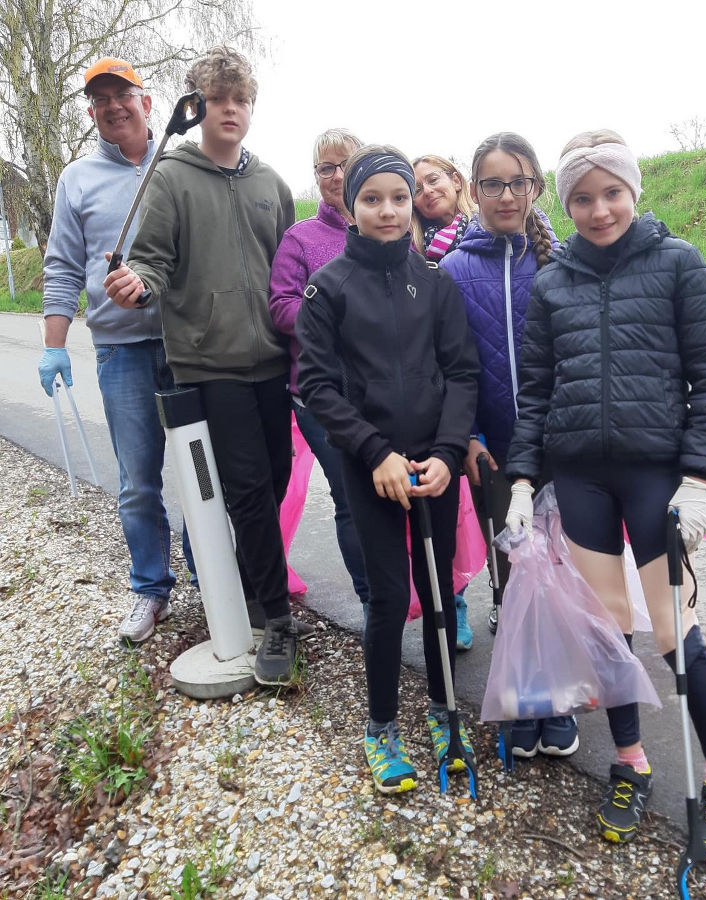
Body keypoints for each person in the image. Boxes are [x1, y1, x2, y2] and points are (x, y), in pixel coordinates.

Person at [504, 129, 706, 859]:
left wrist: (699, 480)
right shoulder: (554, 281)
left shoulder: (678, 263)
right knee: (609, 630)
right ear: (566, 204)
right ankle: (630, 761)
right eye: (582, 197)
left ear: (633, 192)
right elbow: (538, 392)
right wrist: (522, 481)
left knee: (676, 633)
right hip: (579, 475)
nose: (599, 208)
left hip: (654, 475)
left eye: (611, 192)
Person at [103, 45, 314, 685]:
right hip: (207, 362)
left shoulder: (272, 185)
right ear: (198, 107)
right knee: (247, 486)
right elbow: (151, 261)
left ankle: (254, 586)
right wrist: (136, 282)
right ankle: (274, 621)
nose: (230, 109)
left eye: (241, 100)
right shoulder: (170, 176)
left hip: (270, 364)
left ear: (251, 109)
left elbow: (288, 270)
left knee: (273, 479)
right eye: (219, 99)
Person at [295, 145, 480, 794]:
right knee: (390, 599)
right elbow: (317, 386)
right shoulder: (329, 289)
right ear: (351, 206)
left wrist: (449, 452)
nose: (388, 210)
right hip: (370, 469)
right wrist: (374, 452)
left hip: (433, 465)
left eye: (398, 198)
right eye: (372, 199)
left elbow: (461, 373)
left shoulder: (435, 283)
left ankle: (441, 709)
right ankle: (380, 727)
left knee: (437, 595)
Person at [40, 56, 196, 644]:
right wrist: (54, 346)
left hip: (191, 346)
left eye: (122, 94)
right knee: (138, 479)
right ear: (92, 112)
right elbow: (58, 266)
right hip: (121, 352)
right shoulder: (76, 179)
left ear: (147, 102)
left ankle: (213, 577)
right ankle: (151, 589)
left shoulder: (182, 160)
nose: (113, 106)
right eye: (101, 99)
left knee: (205, 470)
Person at [439, 133, 575, 758]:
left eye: (518, 183)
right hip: (492, 452)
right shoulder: (453, 270)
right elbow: (447, 365)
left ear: (536, 188)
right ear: (473, 191)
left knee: (564, 572)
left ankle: (562, 696)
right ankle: (524, 695)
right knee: (514, 574)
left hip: (563, 446)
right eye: (491, 184)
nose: (505, 196)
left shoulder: (562, 262)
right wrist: (467, 436)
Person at [269, 129, 371, 615]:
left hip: (384, 393)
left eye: (346, 164)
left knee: (388, 494)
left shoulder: (387, 226)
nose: (336, 176)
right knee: (352, 495)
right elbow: (281, 307)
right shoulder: (301, 238)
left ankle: (414, 594)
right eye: (325, 168)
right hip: (320, 395)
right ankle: (374, 602)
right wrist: (334, 316)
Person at [411, 154, 479, 650]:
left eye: (433, 180)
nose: (426, 192)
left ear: (456, 181)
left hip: (486, 377)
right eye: (416, 187)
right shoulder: (411, 248)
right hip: (441, 390)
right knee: (453, 511)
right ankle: (454, 601)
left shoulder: (480, 233)